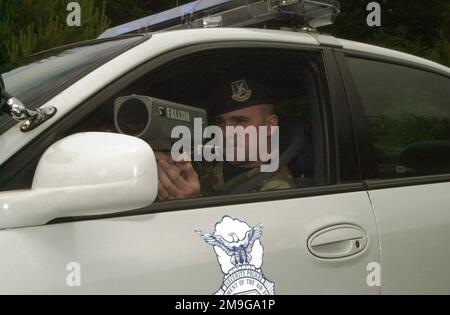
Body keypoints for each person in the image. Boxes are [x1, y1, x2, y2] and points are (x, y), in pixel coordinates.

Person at [156, 77, 296, 201]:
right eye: (220, 123)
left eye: (240, 121)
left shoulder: (278, 191)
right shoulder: (212, 162)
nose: (226, 132)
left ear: (270, 125)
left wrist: (192, 202)